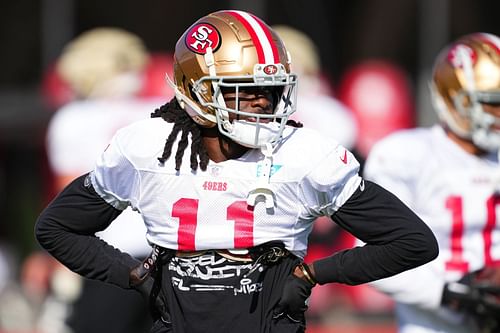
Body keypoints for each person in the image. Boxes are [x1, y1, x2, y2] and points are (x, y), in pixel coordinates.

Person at [35, 10, 438, 333]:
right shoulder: (145, 148)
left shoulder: (304, 153)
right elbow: (57, 227)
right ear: (199, 91)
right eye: (245, 89)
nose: (263, 102)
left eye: (272, 89)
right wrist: (133, 275)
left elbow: (412, 241)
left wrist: (316, 272)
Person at [362, 32, 500, 333]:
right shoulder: (408, 155)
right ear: (454, 99)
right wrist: (452, 293)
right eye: (492, 104)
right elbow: (372, 256)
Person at [45, 27, 171, 333]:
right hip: (169, 253)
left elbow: (70, 208)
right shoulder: (161, 115)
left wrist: (66, 267)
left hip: (111, 257)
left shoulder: (73, 119)